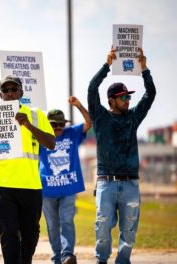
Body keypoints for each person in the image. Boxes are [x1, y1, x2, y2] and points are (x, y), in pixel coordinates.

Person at [0, 75, 55, 264]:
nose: (10, 93)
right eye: (6, 90)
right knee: (9, 234)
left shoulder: (36, 114)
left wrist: (27, 124)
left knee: (30, 235)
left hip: (30, 186)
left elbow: (51, 143)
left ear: (21, 92)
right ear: (0, 95)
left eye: (14, 89)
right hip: (3, 186)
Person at [87, 48, 155, 264]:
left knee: (129, 228)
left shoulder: (133, 117)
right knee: (103, 224)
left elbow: (150, 94)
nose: (127, 100)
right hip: (106, 182)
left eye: (128, 97)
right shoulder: (100, 117)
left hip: (131, 185)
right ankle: (102, 260)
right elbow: (91, 89)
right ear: (111, 100)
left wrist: (144, 69)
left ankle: (122, 261)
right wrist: (106, 65)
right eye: (123, 97)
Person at [38, 97, 92, 264]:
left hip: (69, 187)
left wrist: (79, 106)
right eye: (54, 125)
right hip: (47, 189)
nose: (58, 128)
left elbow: (89, 123)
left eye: (61, 124)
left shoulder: (72, 133)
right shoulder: (40, 137)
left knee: (67, 220)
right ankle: (57, 256)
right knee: (53, 225)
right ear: (47, 125)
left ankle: (67, 254)